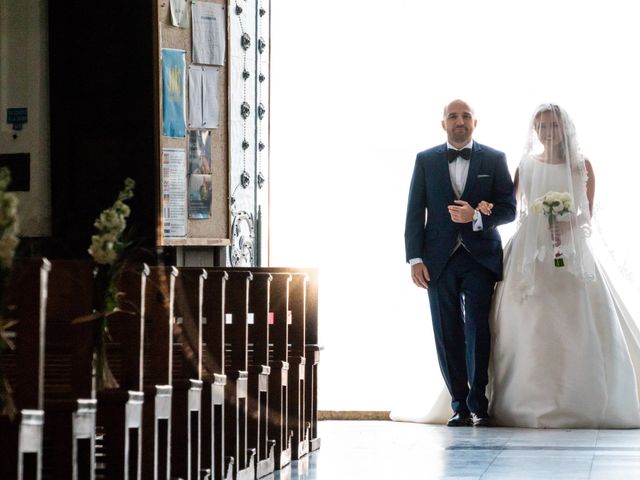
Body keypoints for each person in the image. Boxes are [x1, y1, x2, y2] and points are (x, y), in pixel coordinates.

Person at [483, 103, 640, 428]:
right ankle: (524, 398)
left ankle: (577, 397)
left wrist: (566, 225)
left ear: (563, 127)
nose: (547, 132)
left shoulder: (581, 165)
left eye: (552, 126)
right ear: (534, 131)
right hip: (529, 249)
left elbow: (587, 213)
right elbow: (511, 207)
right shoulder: (524, 165)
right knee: (529, 318)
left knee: (573, 318)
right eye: (541, 126)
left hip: (569, 249)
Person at [404, 99, 516, 427]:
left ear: (475, 123)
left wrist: (478, 215)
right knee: (446, 331)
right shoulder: (424, 160)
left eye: (466, 116)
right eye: (453, 116)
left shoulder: (495, 159)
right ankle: (459, 406)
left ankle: (478, 402)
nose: (460, 121)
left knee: (477, 330)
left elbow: (508, 209)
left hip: (480, 258)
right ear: (443, 124)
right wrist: (415, 259)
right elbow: (414, 212)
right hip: (438, 261)